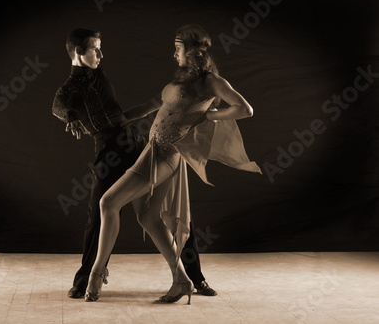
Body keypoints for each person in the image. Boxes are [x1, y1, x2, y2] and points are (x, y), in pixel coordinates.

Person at [85, 24, 261, 303]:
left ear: (192, 50)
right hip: (152, 151)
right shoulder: (179, 82)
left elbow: (245, 109)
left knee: (108, 203)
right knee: (148, 217)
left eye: (178, 48)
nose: (173, 53)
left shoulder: (210, 81)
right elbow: (145, 108)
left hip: (167, 154)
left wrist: (210, 116)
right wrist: (100, 124)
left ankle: (97, 272)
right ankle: (181, 280)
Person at [52, 28, 219, 300]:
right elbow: (58, 104)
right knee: (100, 212)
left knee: (164, 213)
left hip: (134, 144)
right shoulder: (70, 88)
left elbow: (123, 113)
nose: (101, 54)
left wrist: (203, 116)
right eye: (95, 49)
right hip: (108, 151)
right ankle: (85, 279)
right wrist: (69, 115)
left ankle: (194, 278)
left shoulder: (101, 75)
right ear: (78, 52)